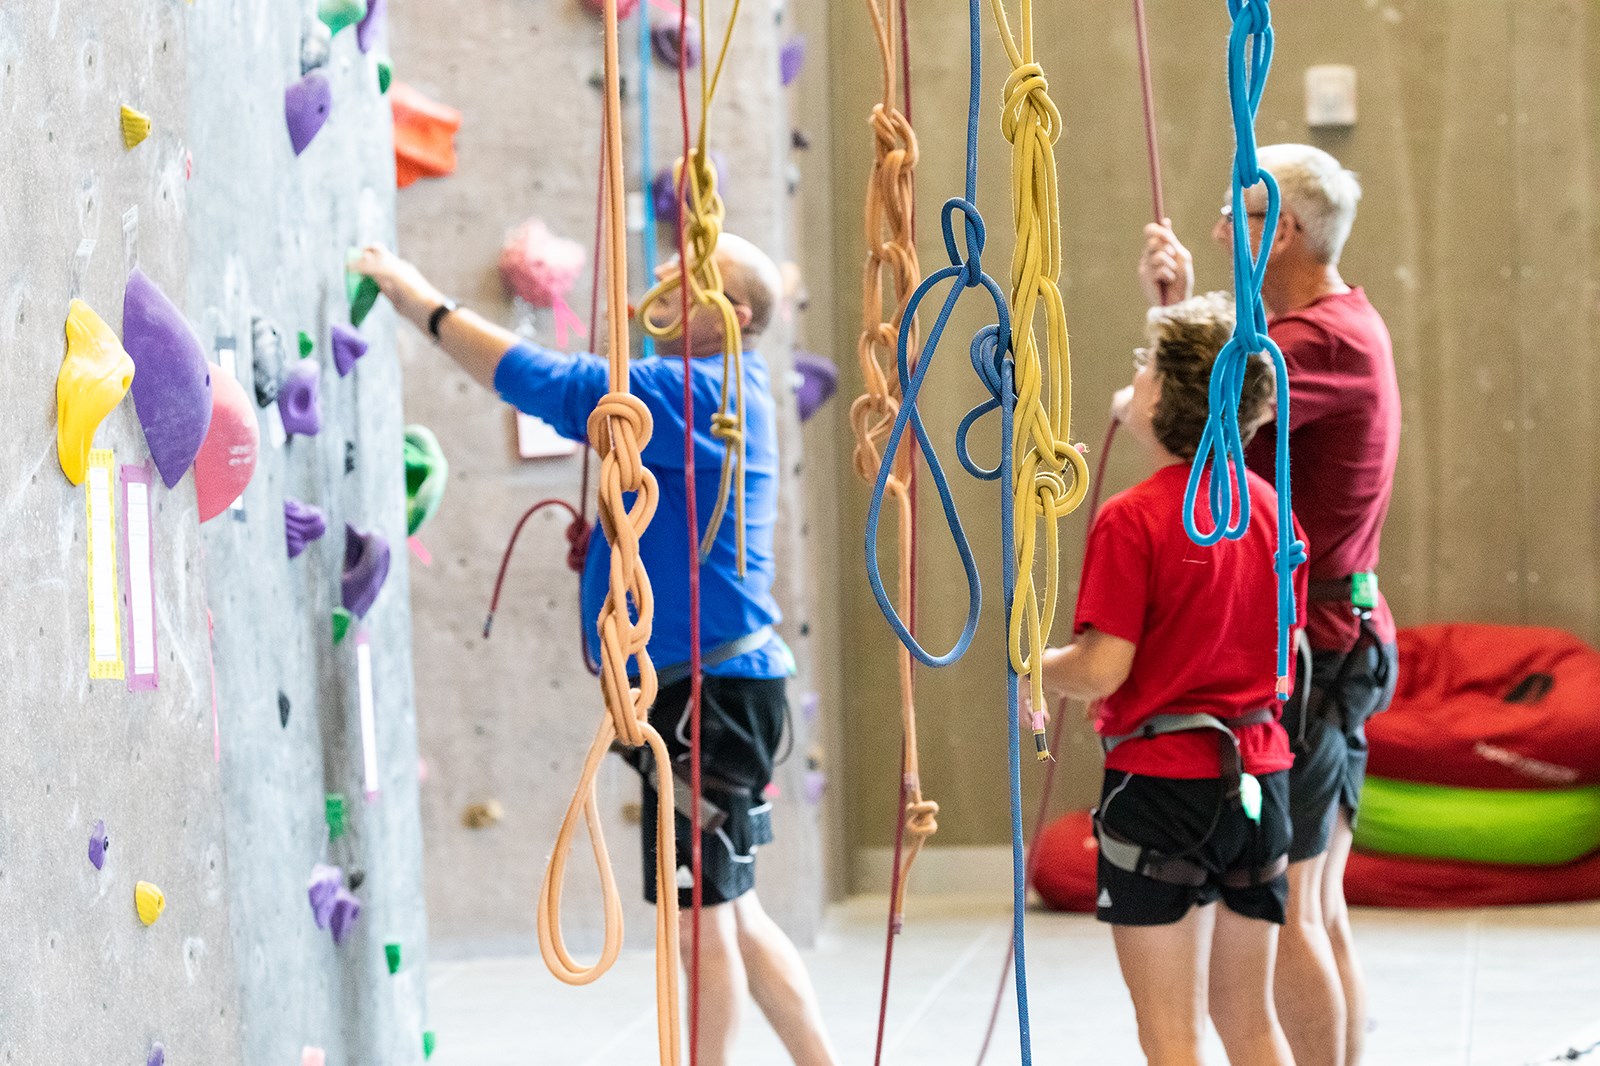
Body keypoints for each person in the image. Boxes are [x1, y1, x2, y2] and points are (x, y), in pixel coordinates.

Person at [353, 235, 840, 1066]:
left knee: (700, 922)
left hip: (707, 697)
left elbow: (548, 384)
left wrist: (415, 296)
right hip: (722, 688)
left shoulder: (694, 391)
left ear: (738, 317)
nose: (667, 285)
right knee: (736, 910)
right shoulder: (723, 389)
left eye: (694, 282)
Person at [1138, 143, 1401, 1066]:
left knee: (1292, 904)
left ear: (1280, 230)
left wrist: (1169, 318)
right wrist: (1180, 309)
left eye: (1233, 215)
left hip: (1319, 650)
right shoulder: (1340, 325)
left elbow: (1197, 419)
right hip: (1340, 636)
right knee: (1315, 902)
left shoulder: (1314, 342)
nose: (1217, 230)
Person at [1033, 292, 1305, 1066]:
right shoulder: (1268, 509)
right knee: (1250, 1024)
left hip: (1160, 788)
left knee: (1170, 1034)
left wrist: (1032, 668)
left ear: (1162, 393)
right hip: (1258, 779)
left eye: (1145, 364)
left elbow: (1101, 669)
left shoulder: (1135, 517)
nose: (1135, 375)